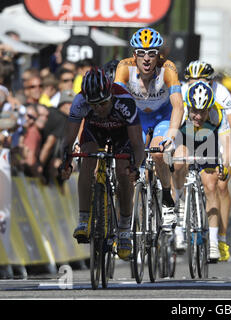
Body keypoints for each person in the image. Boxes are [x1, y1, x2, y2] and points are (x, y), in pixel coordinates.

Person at [59, 67, 145, 260]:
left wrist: (135, 167)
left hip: (122, 134)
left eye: (103, 103)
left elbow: (138, 144)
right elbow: (68, 139)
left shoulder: (125, 102)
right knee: (87, 160)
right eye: (93, 105)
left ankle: (123, 229)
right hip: (94, 132)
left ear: (110, 95)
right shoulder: (79, 101)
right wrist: (66, 161)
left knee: (124, 173)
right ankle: (83, 220)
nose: (99, 109)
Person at [114, 27, 185, 229]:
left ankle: (167, 199)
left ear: (158, 55)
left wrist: (171, 136)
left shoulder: (168, 68)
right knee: (130, 162)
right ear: (134, 54)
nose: (146, 59)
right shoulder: (123, 67)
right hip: (137, 118)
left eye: (152, 53)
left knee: (158, 153)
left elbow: (178, 105)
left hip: (163, 116)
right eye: (141, 53)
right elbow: (116, 102)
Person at [181, 60, 231, 261]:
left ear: (211, 81)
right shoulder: (183, 92)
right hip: (189, 133)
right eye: (192, 80)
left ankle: (219, 240)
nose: (196, 84)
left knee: (219, 184)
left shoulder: (221, 94)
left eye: (201, 80)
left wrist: (230, 159)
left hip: (213, 135)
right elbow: (175, 128)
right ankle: (180, 208)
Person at [172, 81, 231, 261]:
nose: (197, 116)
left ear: (209, 109)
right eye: (194, 111)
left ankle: (213, 242)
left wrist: (226, 165)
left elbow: (227, 143)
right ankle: (179, 216)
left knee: (211, 185)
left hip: (208, 141)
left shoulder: (218, 114)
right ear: (188, 107)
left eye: (202, 111)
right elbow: (172, 139)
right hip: (185, 137)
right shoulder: (181, 114)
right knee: (179, 162)